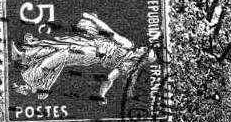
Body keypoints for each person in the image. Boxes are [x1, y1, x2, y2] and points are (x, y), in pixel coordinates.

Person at [10, 12, 155, 104]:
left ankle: (28, 73)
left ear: (143, 54)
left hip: (91, 51)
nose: (142, 47)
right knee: (58, 48)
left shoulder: (129, 46)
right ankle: (26, 63)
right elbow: (108, 79)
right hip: (91, 49)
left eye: (145, 49)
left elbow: (109, 32)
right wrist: (101, 95)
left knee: (61, 54)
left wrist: (91, 18)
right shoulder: (128, 65)